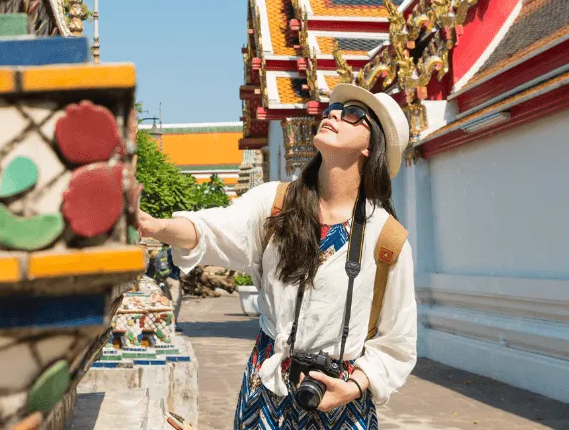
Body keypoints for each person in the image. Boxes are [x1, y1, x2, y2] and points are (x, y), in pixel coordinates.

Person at [138, 84, 417, 428]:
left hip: (340, 403)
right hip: (265, 392)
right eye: (336, 108)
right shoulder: (277, 204)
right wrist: (153, 226)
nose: (333, 114)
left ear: (370, 145)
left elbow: (398, 343)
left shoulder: (387, 238)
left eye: (353, 115)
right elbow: (211, 229)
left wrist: (354, 386)